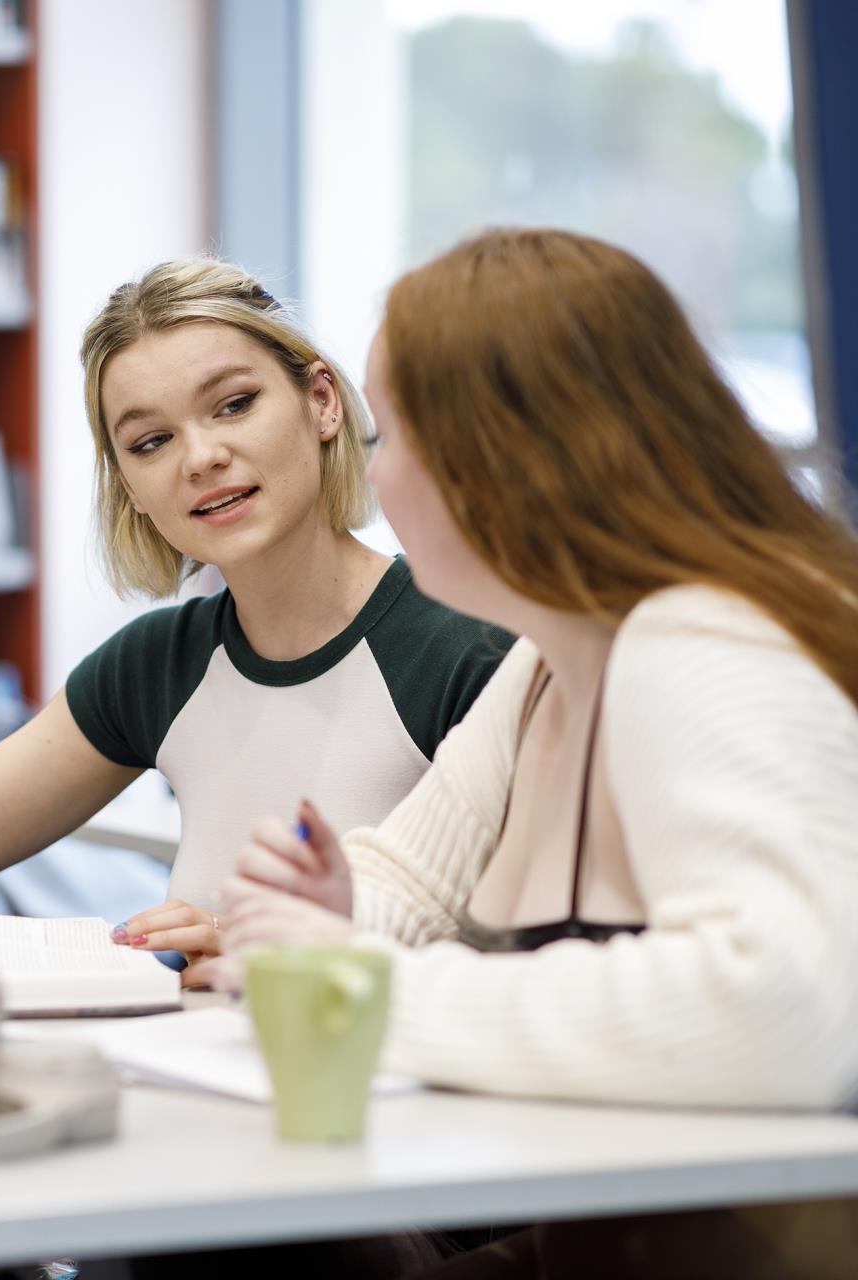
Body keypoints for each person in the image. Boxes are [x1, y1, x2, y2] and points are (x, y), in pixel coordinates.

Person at [210, 227, 858, 1275]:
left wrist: (363, 999)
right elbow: (404, 879)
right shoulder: (555, 655)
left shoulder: (705, 639)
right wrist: (319, 915)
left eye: (389, 441)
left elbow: (775, 1007)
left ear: (496, 457)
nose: (373, 485)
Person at [0, 257, 508, 973]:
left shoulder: (464, 648)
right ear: (133, 490)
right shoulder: (158, 664)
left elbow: (521, 954)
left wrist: (271, 954)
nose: (201, 457)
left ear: (322, 402)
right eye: (151, 442)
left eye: (235, 404)